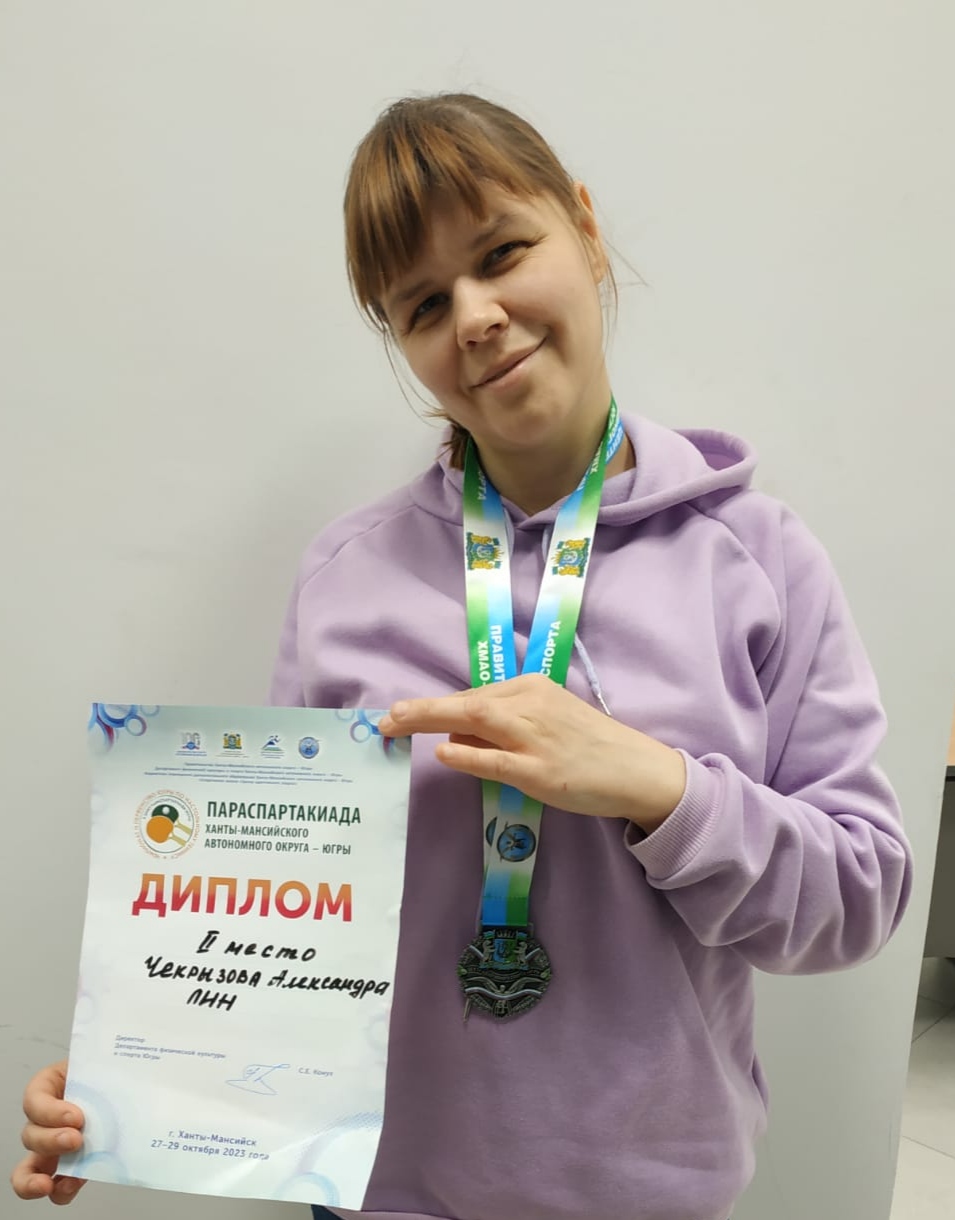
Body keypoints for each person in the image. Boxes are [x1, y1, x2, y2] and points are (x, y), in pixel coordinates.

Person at [11, 93, 913, 1220]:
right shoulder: (344, 576)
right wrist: (145, 1085)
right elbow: (278, 915)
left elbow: (858, 899)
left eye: (501, 254)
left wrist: (657, 784)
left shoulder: (759, 560)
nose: (476, 317)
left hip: (648, 1197)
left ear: (584, 229)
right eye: (424, 303)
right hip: (379, 1195)